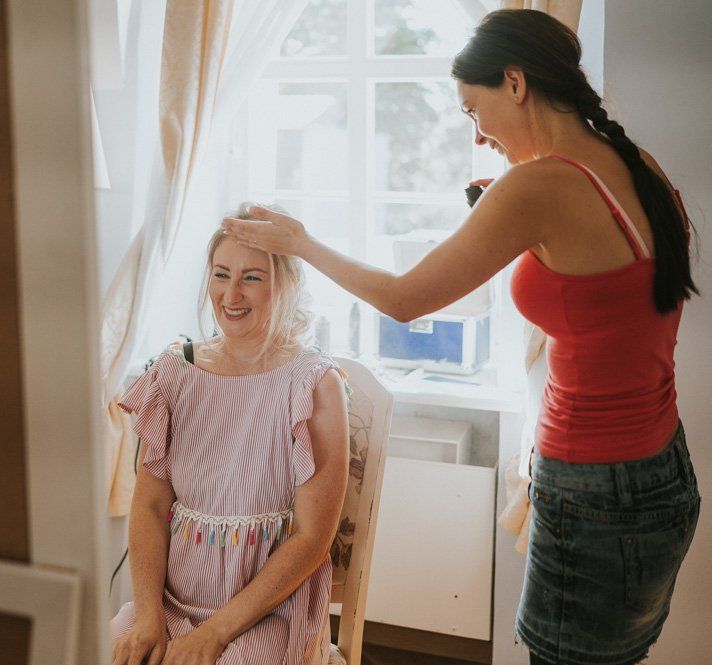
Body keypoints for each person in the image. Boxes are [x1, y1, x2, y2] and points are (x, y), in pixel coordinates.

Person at [223, 9, 700, 665]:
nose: (479, 135)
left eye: (475, 110)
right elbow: (608, 292)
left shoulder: (536, 189)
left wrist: (302, 242)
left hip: (593, 488)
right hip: (662, 471)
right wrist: (509, 210)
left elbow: (404, 299)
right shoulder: (632, 164)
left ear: (515, 82)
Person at [111, 206, 350, 665]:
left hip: (270, 611)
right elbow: (149, 506)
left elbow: (312, 538)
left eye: (252, 278)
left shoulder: (314, 383)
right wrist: (147, 616)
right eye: (222, 274)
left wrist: (216, 633)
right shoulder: (173, 372)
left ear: (287, 285)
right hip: (171, 601)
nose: (232, 294)